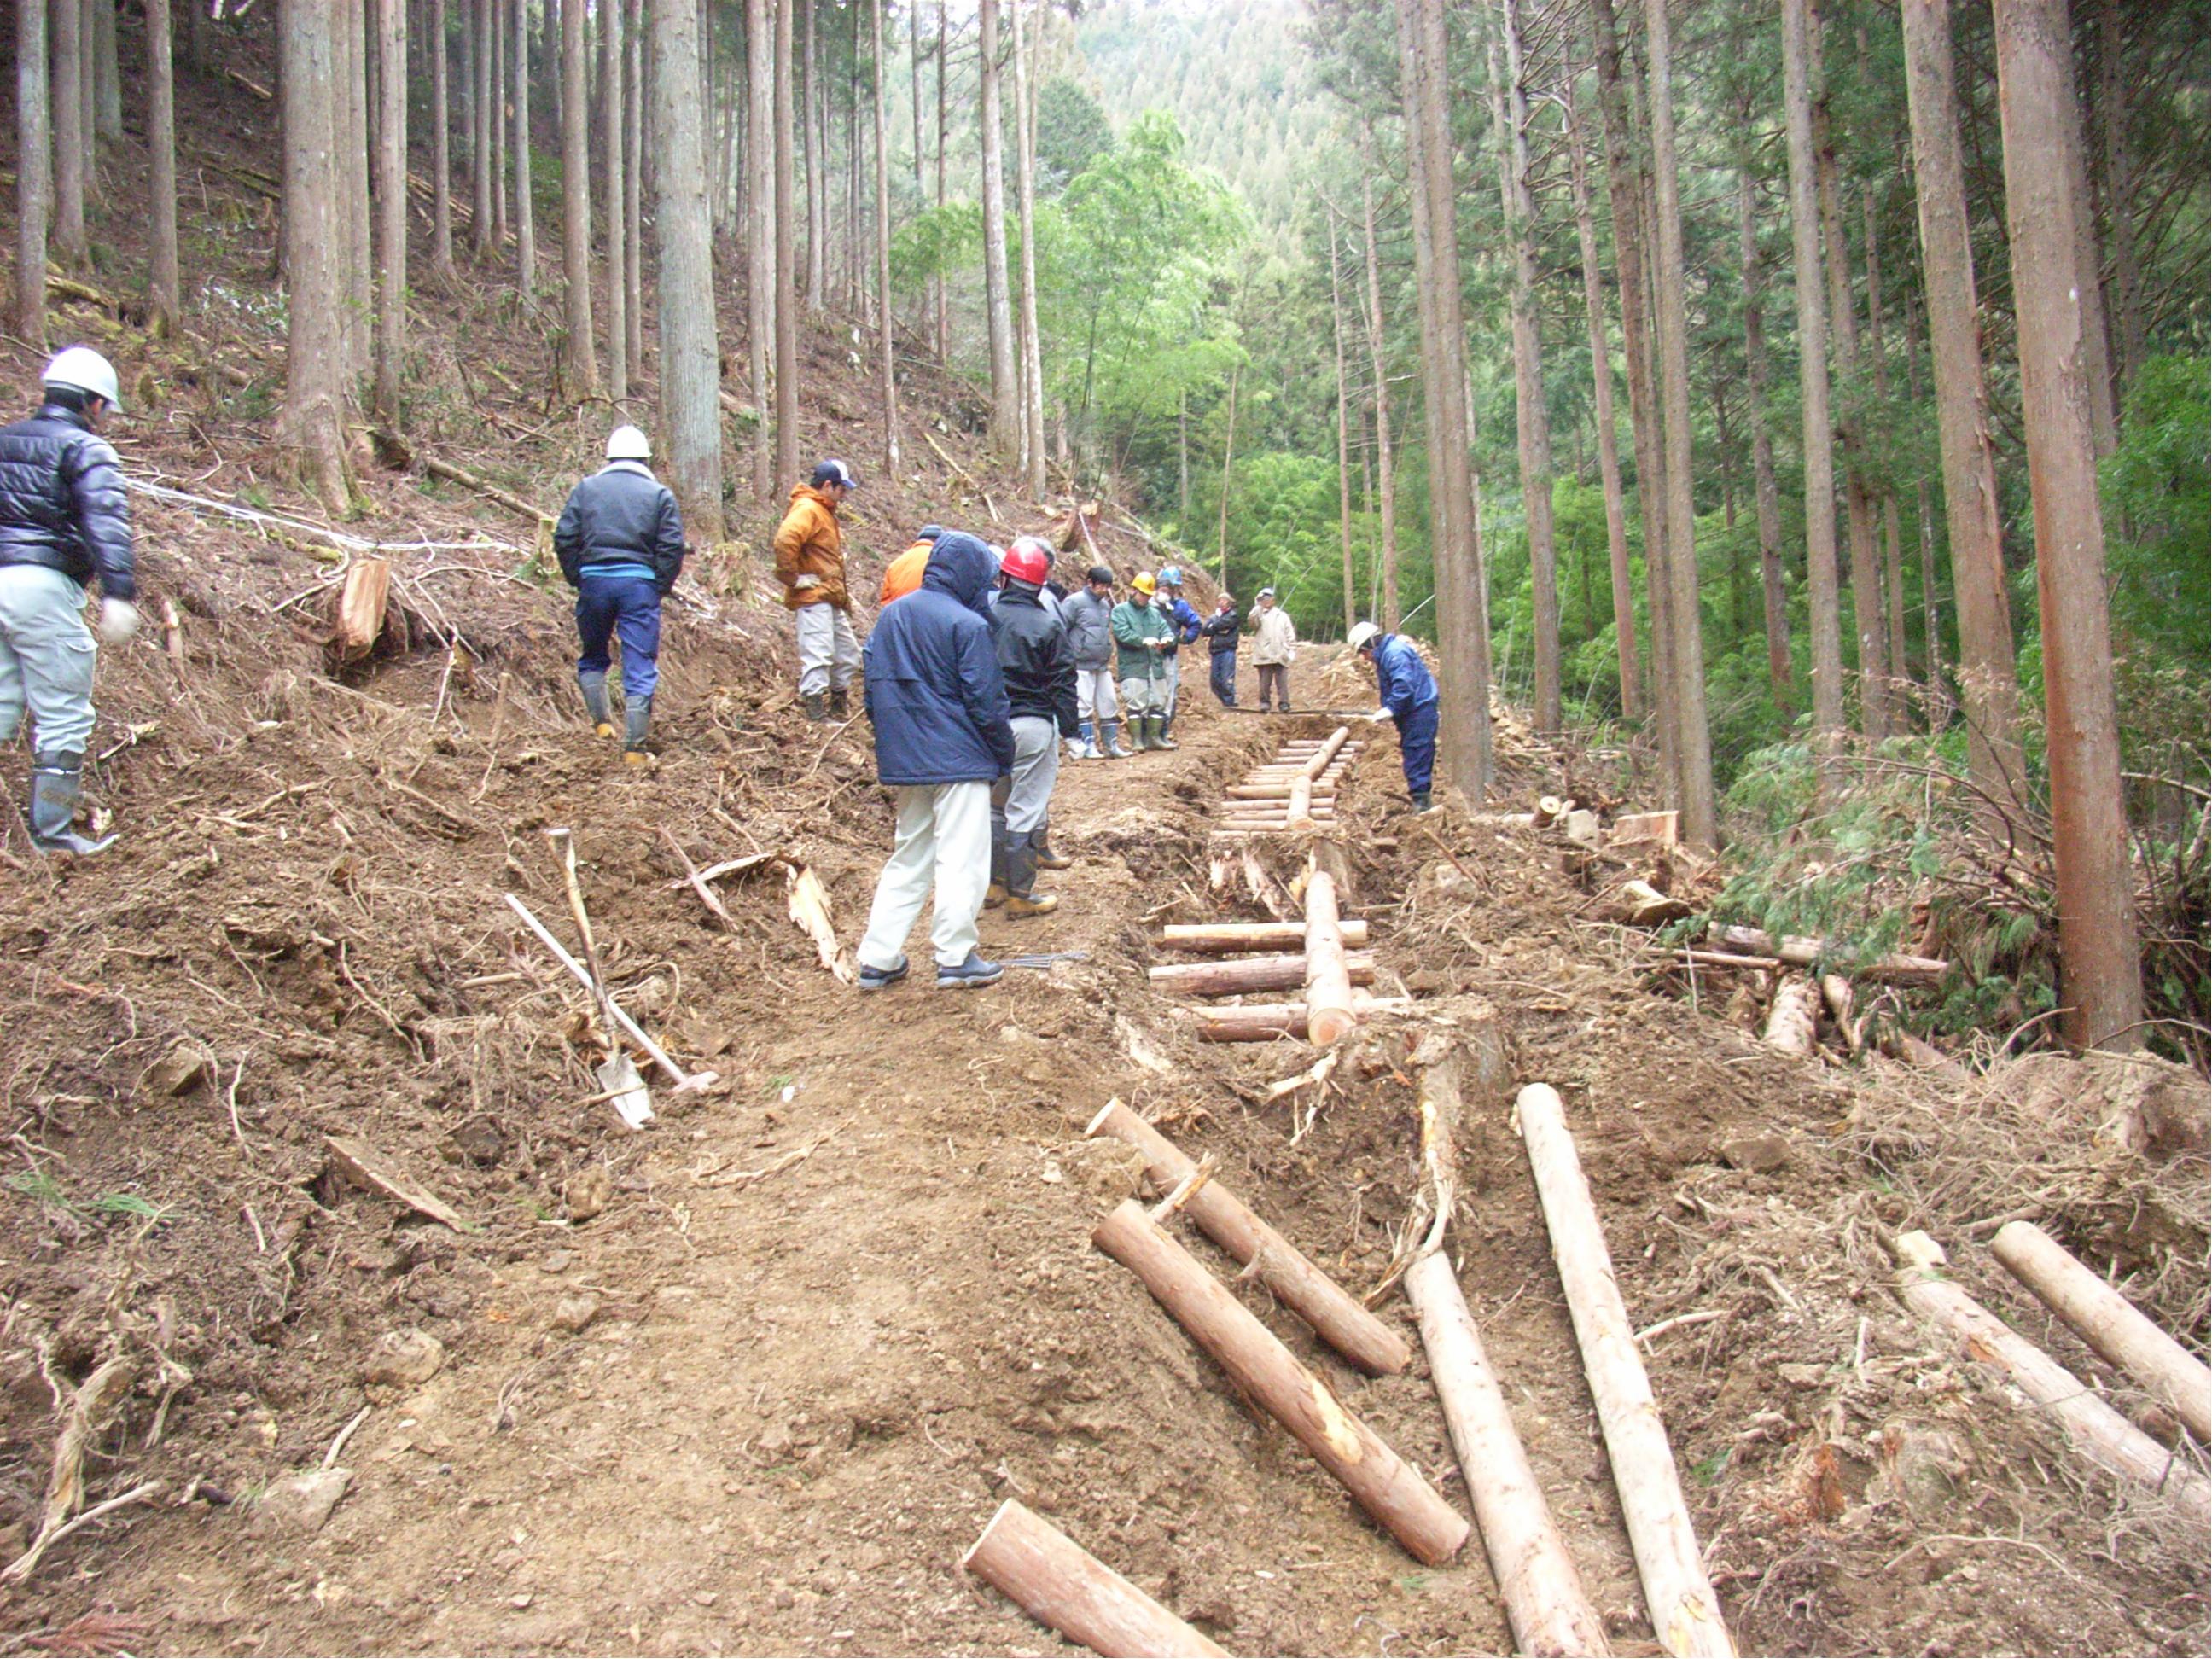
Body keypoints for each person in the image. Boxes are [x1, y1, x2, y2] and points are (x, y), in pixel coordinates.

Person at [855, 532, 1015, 991]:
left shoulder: (890, 617)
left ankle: (879, 958)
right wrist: (1003, 755)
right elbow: (987, 703)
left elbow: (871, 688)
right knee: (962, 858)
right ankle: (955, 955)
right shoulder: (968, 625)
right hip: (961, 758)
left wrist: (894, 741)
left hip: (908, 758)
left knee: (909, 856)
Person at [0, 347, 139, 854]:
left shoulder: (4, 439)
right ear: (95, 404)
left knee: (1, 703)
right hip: (41, 589)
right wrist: (119, 594)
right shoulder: (86, 450)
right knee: (63, 716)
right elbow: (107, 524)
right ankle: (53, 835)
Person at [554, 424, 687, 765]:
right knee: (640, 663)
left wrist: (578, 578)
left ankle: (601, 725)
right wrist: (658, 587)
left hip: (594, 582)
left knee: (593, 654)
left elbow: (565, 538)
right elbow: (671, 548)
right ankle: (634, 749)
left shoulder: (585, 490)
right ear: (645, 458)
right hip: (639, 585)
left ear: (609, 456)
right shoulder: (660, 495)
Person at [985, 538, 1078, 917]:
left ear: (1004, 577)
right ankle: (1021, 895)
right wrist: (1072, 730)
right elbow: (1063, 680)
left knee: (994, 808)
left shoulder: (983, 617)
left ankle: (994, 886)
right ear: (1040, 584)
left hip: (990, 725)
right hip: (1033, 723)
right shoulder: (1047, 624)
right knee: (1024, 808)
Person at [773, 457, 861, 721]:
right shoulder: (808, 508)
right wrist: (793, 579)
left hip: (829, 595)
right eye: (841, 488)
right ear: (827, 485)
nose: (844, 495)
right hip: (814, 596)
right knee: (818, 653)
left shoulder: (822, 510)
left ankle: (838, 706)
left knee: (847, 654)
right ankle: (815, 714)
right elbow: (785, 539)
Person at [1350, 620, 1441, 812]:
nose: (1365, 658)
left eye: (1364, 652)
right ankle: (1420, 799)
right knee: (1413, 753)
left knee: (1417, 752)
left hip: (1419, 711)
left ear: (1371, 645)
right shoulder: (1388, 654)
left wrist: (1391, 708)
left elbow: (1404, 686)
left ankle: (1422, 804)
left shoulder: (1394, 654)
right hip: (1413, 711)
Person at [1061, 564, 1127, 760]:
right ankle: (1087, 744)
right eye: (1101, 586)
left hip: (1101, 663)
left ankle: (1111, 744)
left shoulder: (1105, 605)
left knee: (1109, 703)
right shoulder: (1074, 602)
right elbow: (1061, 630)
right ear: (1090, 582)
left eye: (1108, 587)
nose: (1105, 590)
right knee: (1084, 704)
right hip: (1081, 663)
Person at [1110, 571, 1175, 751]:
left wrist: (1168, 639)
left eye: (1148, 595)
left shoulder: (1154, 613)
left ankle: (1154, 738)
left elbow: (1166, 630)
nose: (1145, 598)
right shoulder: (1120, 611)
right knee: (1136, 702)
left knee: (1158, 701)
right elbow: (1122, 633)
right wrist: (1142, 641)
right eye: (1142, 594)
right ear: (1133, 590)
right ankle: (1137, 741)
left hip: (1155, 665)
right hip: (1133, 666)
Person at [1155, 565, 1203, 743]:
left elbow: (1195, 623)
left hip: (1169, 655)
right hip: (1147, 656)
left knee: (1169, 692)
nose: (1170, 591)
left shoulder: (1179, 606)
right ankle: (1148, 732)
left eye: (1173, 588)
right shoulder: (1149, 606)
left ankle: (1164, 730)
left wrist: (1184, 639)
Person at [1246, 586, 1298, 712]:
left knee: (1282, 683)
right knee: (1264, 682)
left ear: (1274, 600)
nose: (1267, 601)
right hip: (1264, 653)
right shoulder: (1258, 615)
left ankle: (1284, 703)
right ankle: (1265, 703)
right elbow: (1252, 623)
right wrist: (1257, 605)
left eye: (1269, 598)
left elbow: (1289, 633)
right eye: (1264, 598)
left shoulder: (1282, 616)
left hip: (1281, 653)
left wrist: (1291, 650)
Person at [878, 523, 944, 606]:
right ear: (940, 541)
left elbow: (886, 601)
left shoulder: (896, 563)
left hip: (900, 614)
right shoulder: (940, 558)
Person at [1201, 593, 1240, 706]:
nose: (1221, 602)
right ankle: (1224, 700)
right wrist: (1216, 627)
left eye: (1224, 600)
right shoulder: (1215, 616)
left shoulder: (1233, 615)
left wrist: (1214, 626)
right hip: (1215, 650)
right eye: (1219, 600)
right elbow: (1204, 630)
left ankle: (1230, 701)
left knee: (1226, 677)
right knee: (1214, 680)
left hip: (1227, 649)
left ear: (1229, 602)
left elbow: (1225, 625)